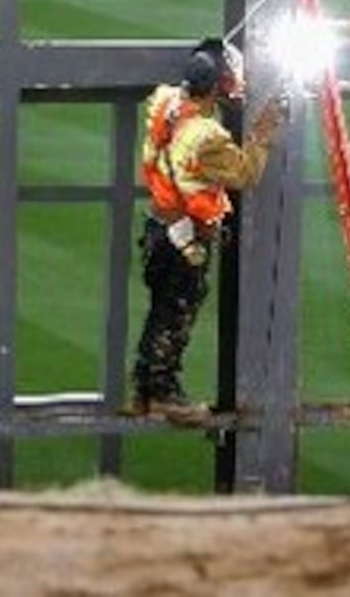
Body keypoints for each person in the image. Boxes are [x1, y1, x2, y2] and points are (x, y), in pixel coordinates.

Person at [128, 38, 288, 425]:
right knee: (176, 313)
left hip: (158, 229)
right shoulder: (206, 137)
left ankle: (146, 390)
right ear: (216, 86)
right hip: (185, 240)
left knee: (161, 312)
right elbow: (245, 172)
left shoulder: (166, 104)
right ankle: (162, 394)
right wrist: (262, 134)